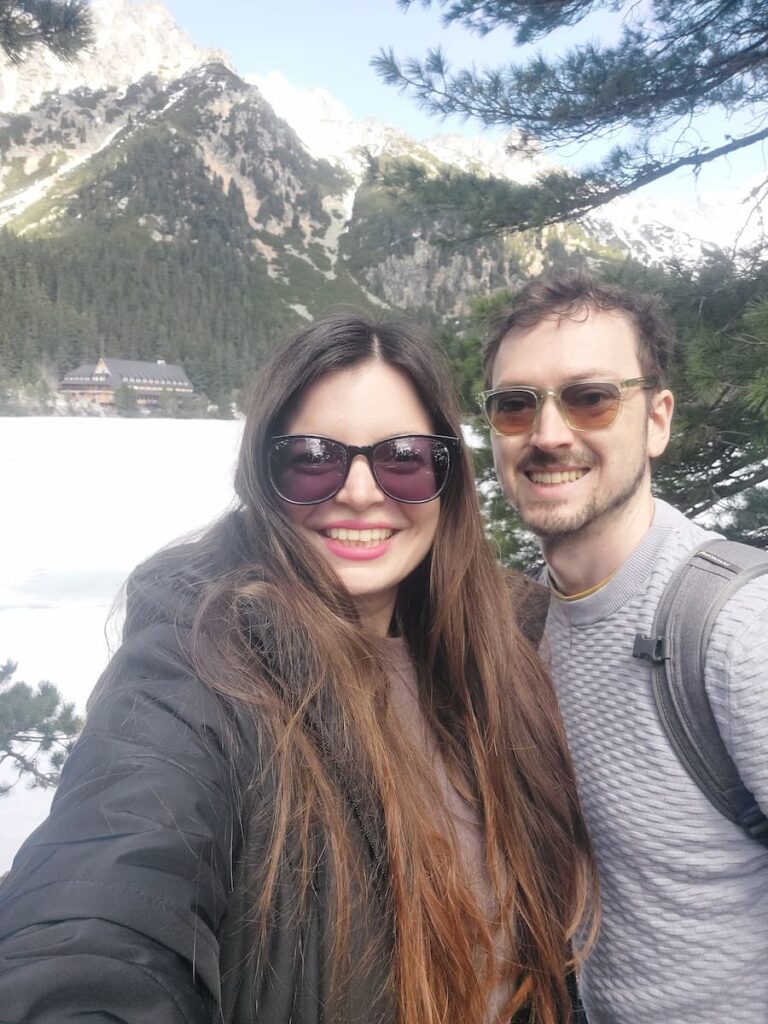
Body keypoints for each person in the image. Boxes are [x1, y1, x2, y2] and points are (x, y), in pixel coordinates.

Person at [0, 315, 597, 1024]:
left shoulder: (506, 647)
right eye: (313, 459)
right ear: (265, 473)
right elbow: (104, 897)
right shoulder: (201, 665)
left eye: (403, 458)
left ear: (446, 478)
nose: (360, 492)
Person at [480, 270, 768, 1024]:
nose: (548, 434)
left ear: (657, 419)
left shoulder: (737, 627)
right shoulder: (528, 626)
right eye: (516, 405)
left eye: (590, 397)